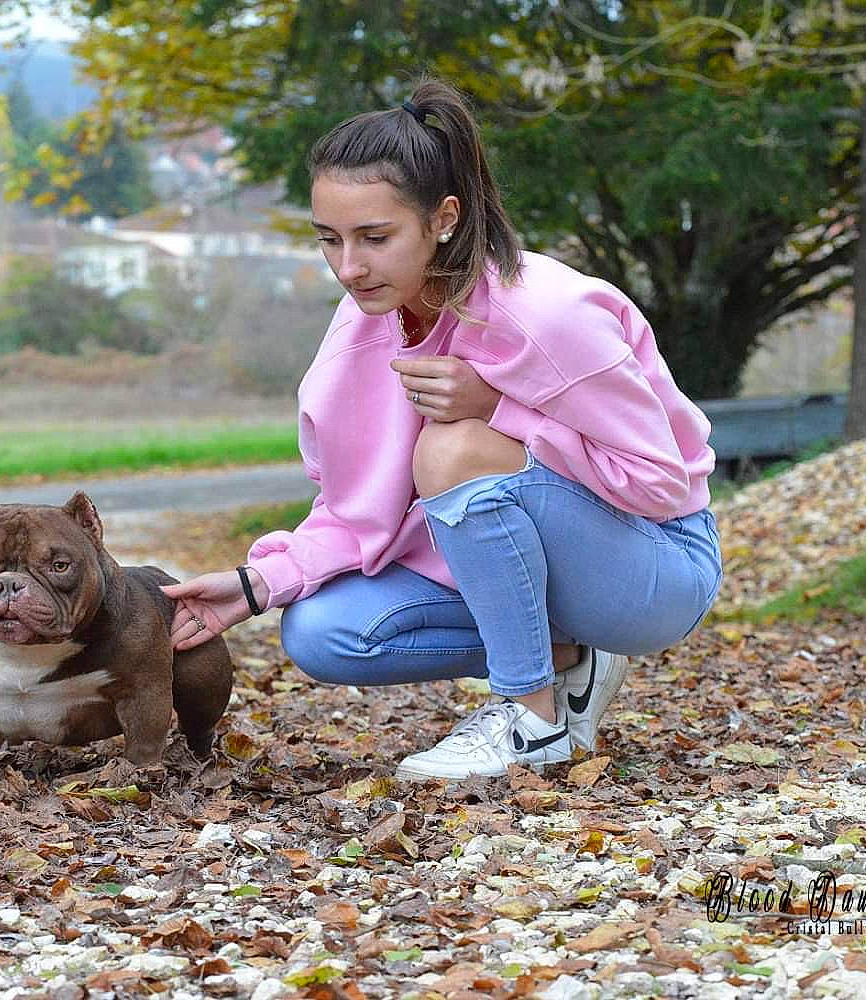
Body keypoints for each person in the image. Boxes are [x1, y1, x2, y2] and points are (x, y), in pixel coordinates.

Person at [159, 76, 722, 782]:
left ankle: (533, 719)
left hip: (657, 565)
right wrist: (255, 584)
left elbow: (663, 483)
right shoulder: (366, 323)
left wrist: (499, 410)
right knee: (323, 634)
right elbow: (355, 510)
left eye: (375, 237)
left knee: (453, 448)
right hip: (523, 561)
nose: (348, 267)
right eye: (328, 240)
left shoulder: (543, 318)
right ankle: (568, 658)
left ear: (444, 217)